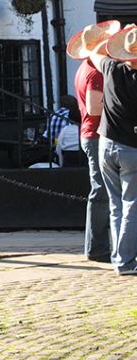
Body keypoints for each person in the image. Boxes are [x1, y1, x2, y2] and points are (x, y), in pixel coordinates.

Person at [68, 21, 119, 262]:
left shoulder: (83, 69)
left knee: (102, 191)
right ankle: (97, 247)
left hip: (90, 134)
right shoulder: (95, 71)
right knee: (100, 192)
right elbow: (94, 107)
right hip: (96, 134)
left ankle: (98, 246)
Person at [94, 24, 137, 276]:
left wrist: (115, 38)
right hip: (131, 148)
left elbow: (92, 53)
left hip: (105, 144)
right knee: (132, 203)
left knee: (115, 204)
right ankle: (126, 260)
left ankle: (119, 257)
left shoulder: (110, 68)